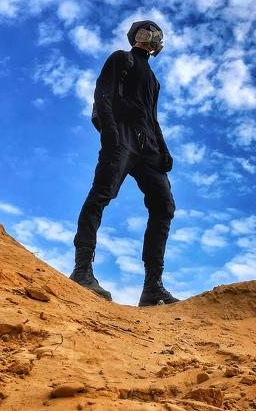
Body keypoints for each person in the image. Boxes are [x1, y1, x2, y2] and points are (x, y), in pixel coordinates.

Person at [69, 20, 179, 307]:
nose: (149, 36)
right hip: (121, 138)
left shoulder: (154, 80)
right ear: (134, 37)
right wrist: (110, 132)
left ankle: (153, 287)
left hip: (149, 148)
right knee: (101, 194)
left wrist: (163, 149)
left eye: (154, 33)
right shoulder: (122, 58)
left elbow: (152, 117)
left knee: (164, 206)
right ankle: (82, 270)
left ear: (158, 43)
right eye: (144, 31)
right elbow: (103, 93)